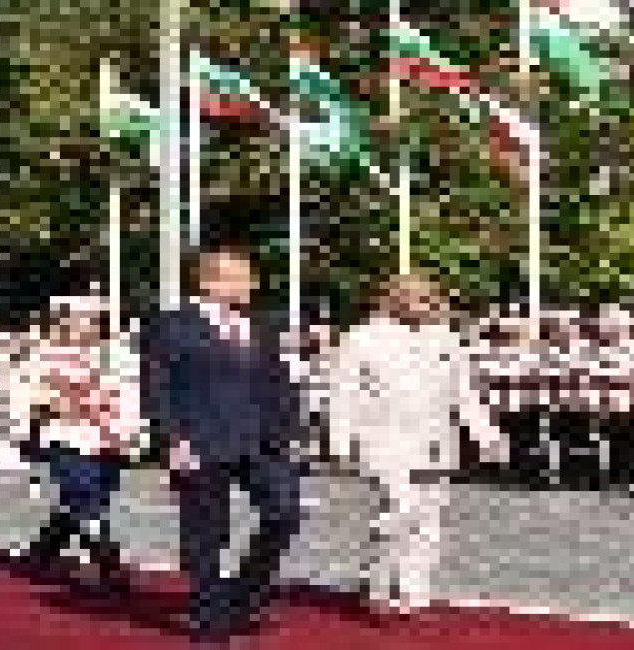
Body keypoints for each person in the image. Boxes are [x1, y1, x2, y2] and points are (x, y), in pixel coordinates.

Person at [140, 240, 305, 644]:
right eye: (241, 278)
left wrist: (290, 432)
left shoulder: (262, 325)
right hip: (200, 441)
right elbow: (156, 387)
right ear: (209, 282)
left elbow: (279, 383)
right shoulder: (171, 324)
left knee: (284, 513)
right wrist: (171, 440)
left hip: (263, 442)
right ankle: (208, 614)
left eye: (250, 277)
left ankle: (244, 597)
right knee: (207, 532)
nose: (251, 284)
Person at [328, 273, 507, 619]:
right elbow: (342, 393)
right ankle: (377, 583)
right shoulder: (362, 338)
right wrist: (340, 441)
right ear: (394, 299)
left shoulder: (445, 338)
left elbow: (463, 393)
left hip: (436, 439)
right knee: (400, 510)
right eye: (415, 298)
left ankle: (414, 592)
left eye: (429, 298)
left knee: (428, 517)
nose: (424, 305)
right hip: (383, 439)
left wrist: (486, 434)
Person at [11, 295, 139, 596]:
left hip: (108, 441)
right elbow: (25, 396)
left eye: (93, 321)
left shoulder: (117, 356)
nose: (87, 326)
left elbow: (132, 396)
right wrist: (46, 407)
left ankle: (41, 551)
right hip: (64, 438)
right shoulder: (43, 357)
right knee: (85, 496)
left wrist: (131, 433)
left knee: (87, 501)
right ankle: (108, 564)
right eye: (80, 321)